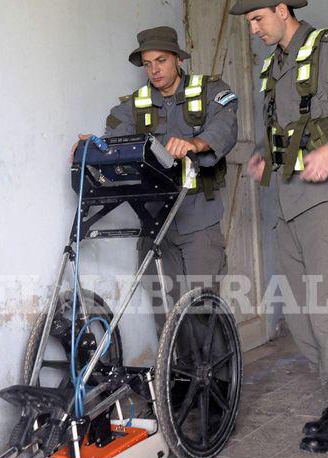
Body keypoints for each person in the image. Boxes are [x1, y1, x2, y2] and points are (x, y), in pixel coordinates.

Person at [230, 1, 328, 453]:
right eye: (249, 23)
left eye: (258, 18)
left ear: (283, 9)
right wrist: (266, 160)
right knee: (300, 311)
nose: (254, 28)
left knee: (327, 304)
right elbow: (292, 131)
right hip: (289, 201)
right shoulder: (275, 67)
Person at [74, 26, 239, 328]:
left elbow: (225, 126)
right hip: (154, 219)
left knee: (203, 307)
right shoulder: (132, 106)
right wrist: (94, 146)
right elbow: (115, 142)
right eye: (148, 64)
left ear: (177, 59)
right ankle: (174, 375)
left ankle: (215, 376)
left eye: (161, 60)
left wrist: (196, 143)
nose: (154, 70)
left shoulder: (210, 91)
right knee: (165, 310)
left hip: (197, 217)